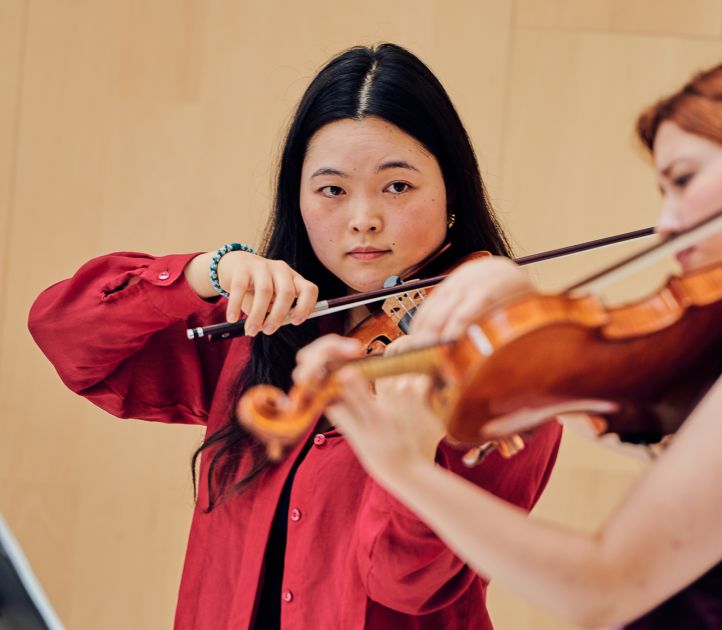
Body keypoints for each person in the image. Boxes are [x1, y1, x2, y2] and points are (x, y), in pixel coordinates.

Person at [295, 40, 722, 628]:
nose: (667, 222)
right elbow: (641, 404)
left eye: (683, 179)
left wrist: (402, 464)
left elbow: (605, 588)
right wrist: (524, 326)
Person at [28, 43, 562, 629]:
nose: (363, 219)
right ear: (299, 198)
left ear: (451, 189)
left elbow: (409, 583)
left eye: (397, 187)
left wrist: (411, 454)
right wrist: (209, 271)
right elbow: (69, 336)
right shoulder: (270, 328)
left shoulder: (505, 376)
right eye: (332, 190)